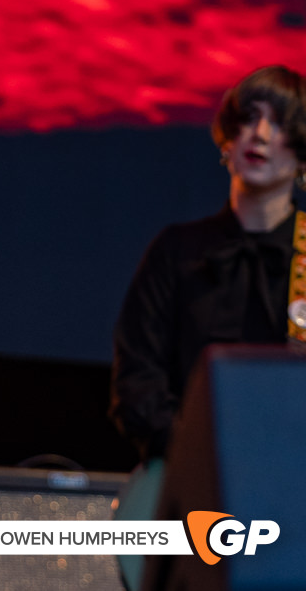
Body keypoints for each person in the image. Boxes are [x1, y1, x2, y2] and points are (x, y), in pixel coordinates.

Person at [110, 64, 306, 462]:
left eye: (280, 123)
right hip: (189, 477)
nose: (261, 134)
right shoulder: (177, 251)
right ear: (227, 140)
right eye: (250, 118)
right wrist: (196, 452)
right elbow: (136, 383)